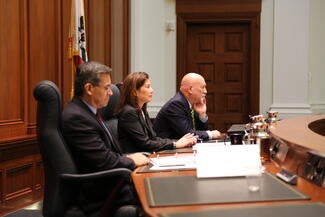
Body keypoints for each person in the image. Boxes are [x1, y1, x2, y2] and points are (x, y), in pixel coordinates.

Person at [61, 61, 149, 216]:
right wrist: (132, 160)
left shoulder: (89, 112)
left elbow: (103, 154)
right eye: (107, 87)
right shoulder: (77, 118)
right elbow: (104, 162)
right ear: (89, 88)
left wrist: (129, 157)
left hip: (110, 184)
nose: (111, 92)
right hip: (100, 194)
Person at [116, 72, 197, 153]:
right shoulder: (128, 113)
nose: (152, 90)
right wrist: (175, 144)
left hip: (148, 155)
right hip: (137, 160)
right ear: (134, 92)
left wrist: (179, 141)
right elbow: (145, 144)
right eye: (148, 87)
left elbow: (154, 138)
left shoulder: (142, 110)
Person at [153, 72, 222, 141]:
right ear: (190, 89)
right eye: (203, 87)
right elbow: (187, 134)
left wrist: (202, 114)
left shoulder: (190, 103)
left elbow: (203, 131)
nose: (205, 91)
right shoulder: (176, 104)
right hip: (166, 150)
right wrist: (210, 134)